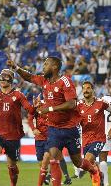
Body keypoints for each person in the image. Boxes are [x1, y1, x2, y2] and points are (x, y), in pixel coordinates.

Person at [7, 57, 102, 186]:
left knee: (78, 162)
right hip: (53, 129)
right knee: (54, 159)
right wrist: (16, 68)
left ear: (55, 67)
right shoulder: (44, 80)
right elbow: (29, 77)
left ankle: (94, 170)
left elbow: (72, 103)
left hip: (70, 128)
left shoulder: (65, 81)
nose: (43, 66)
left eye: (46, 64)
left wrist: (50, 109)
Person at [77, 81, 111, 184]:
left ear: (93, 90)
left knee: (87, 160)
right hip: (85, 139)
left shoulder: (101, 103)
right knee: (90, 165)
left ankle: (97, 179)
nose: (86, 90)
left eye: (88, 88)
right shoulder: (79, 105)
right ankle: (100, 175)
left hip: (99, 138)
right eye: (84, 88)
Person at [28, 96, 72, 185]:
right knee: (42, 163)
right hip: (39, 138)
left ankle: (52, 179)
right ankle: (48, 176)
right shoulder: (39, 104)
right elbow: (30, 118)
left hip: (51, 137)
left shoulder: (56, 106)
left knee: (50, 160)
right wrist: (33, 129)